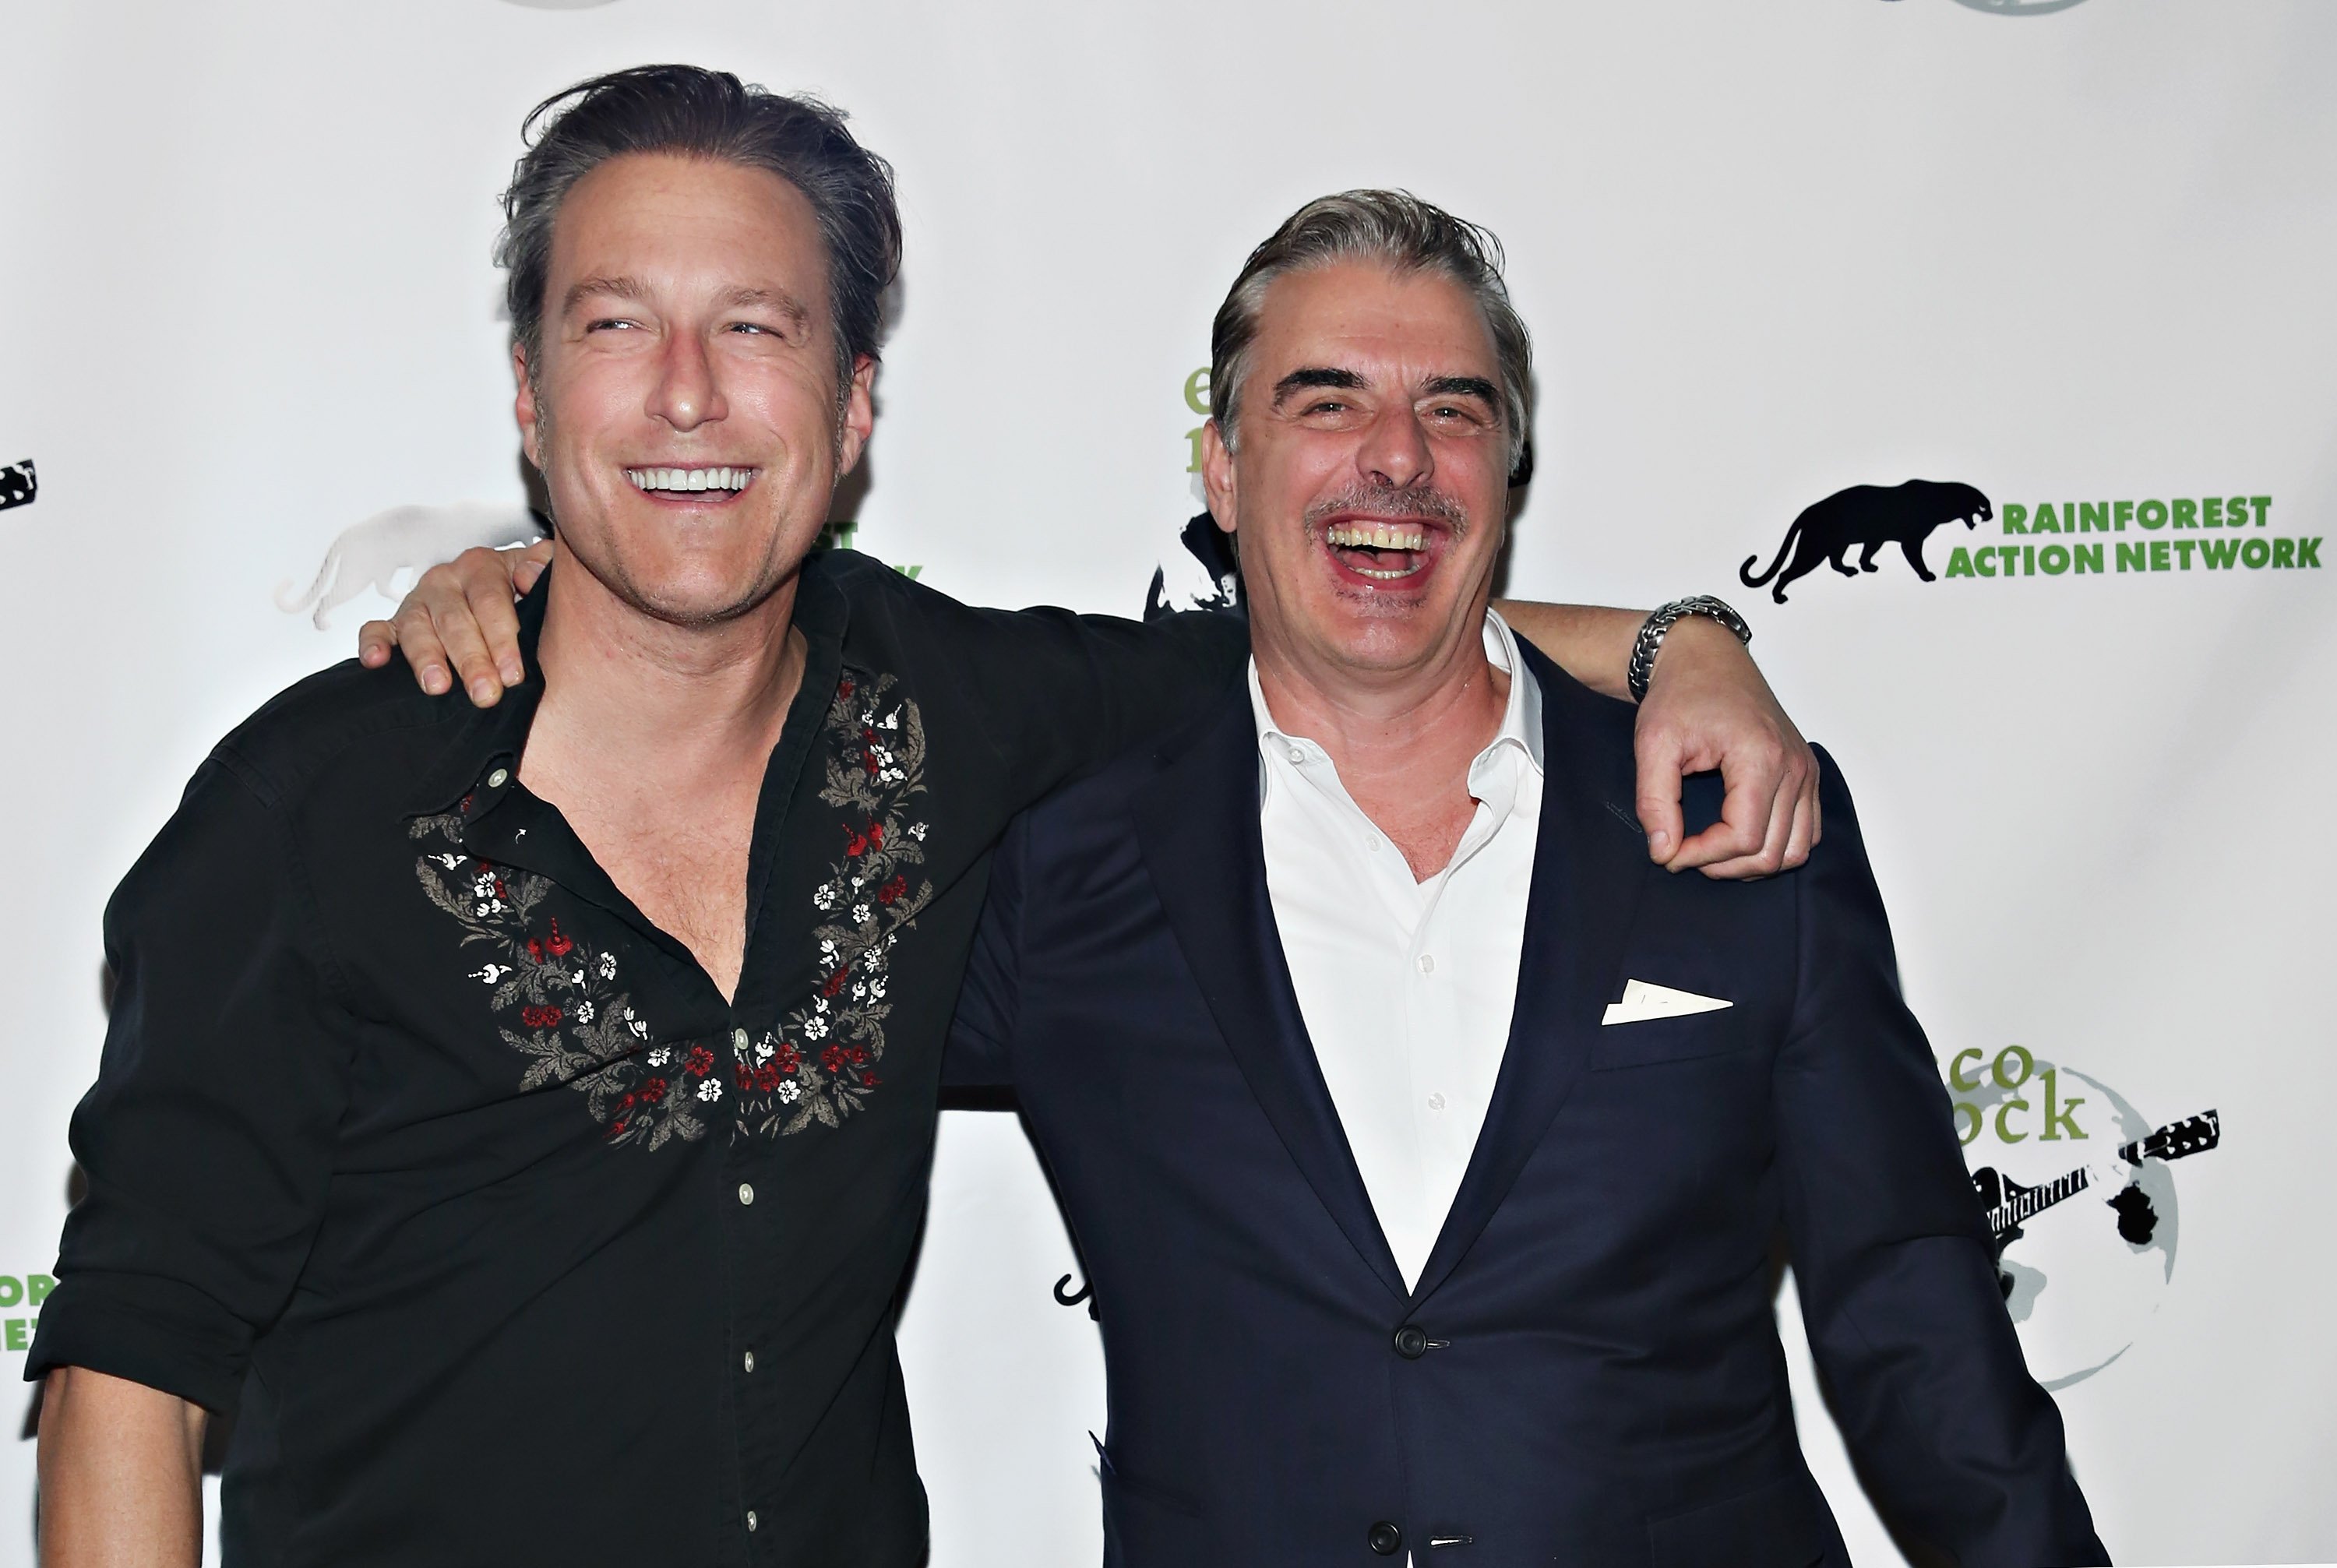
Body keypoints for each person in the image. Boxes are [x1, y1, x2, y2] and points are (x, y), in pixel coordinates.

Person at [28, 68, 1817, 1568]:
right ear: (528, 391)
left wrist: (1683, 641)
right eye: (617, 325)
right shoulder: (307, 813)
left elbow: (1351, 635)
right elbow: (132, 1376)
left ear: (855, 401)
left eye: (756, 328)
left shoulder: (957, 709)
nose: (686, 392)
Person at [941, 192, 2110, 1566]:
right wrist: (1676, 631)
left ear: (1506, 470)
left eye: (1453, 410)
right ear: (1224, 470)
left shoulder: (1735, 810)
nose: (1397, 455)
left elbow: (1915, 1307)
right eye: (1327, 401)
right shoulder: (1063, 862)